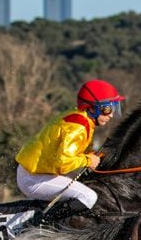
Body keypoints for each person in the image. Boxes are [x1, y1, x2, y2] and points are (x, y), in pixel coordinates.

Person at [15, 79, 125, 226]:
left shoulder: (82, 119)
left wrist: (92, 155)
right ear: (93, 108)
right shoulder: (78, 127)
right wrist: (87, 160)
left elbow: (80, 149)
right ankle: (38, 224)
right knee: (88, 196)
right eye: (108, 109)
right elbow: (62, 163)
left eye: (114, 108)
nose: (111, 115)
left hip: (39, 173)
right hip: (33, 178)